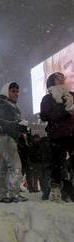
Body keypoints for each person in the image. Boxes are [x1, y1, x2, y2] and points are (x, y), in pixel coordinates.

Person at [0, 82, 28, 203]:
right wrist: (17, 125)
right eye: (13, 91)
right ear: (6, 91)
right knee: (16, 166)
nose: (16, 94)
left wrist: (20, 127)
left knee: (4, 167)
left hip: (3, 136)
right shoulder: (2, 103)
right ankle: (13, 193)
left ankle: (2, 194)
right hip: (4, 137)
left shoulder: (6, 104)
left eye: (17, 91)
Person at [40, 72, 74, 202]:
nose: (62, 80)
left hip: (72, 134)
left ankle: (67, 190)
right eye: (58, 79)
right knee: (57, 165)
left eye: (62, 78)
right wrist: (66, 110)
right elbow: (46, 115)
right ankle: (56, 192)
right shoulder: (47, 99)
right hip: (57, 136)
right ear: (51, 82)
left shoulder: (71, 95)